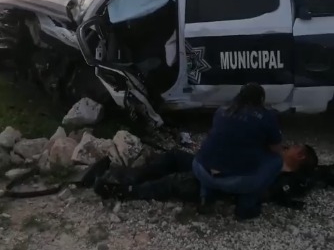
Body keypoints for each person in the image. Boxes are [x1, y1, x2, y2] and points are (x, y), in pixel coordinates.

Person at [90, 144, 320, 211]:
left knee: (175, 181)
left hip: (219, 184)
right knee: (174, 156)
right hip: (214, 166)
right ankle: (133, 177)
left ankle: (124, 192)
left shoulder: (281, 179)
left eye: (294, 147)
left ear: (299, 156)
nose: (287, 146)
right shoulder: (273, 159)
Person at [192, 83, 284, 220]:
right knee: (277, 161)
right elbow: (276, 149)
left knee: (215, 153)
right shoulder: (266, 117)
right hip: (236, 182)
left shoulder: (221, 110)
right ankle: (246, 207)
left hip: (200, 170)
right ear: (261, 99)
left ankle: (206, 197)